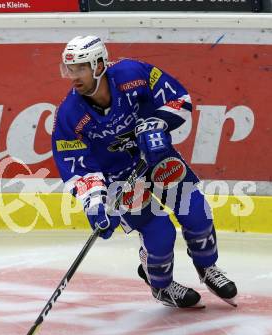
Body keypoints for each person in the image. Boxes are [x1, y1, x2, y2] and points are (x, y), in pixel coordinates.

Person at [52, 35, 237, 309]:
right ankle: (161, 286)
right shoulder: (69, 115)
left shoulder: (133, 74)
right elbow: (77, 165)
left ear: (99, 64)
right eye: (70, 69)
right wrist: (95, 203)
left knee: (196, 211)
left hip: (156, 158)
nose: (73, 76)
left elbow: (179, 98)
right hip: (119, 180)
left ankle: (207, 267)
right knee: (160, 234)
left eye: (81, 67)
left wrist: (157, 125)